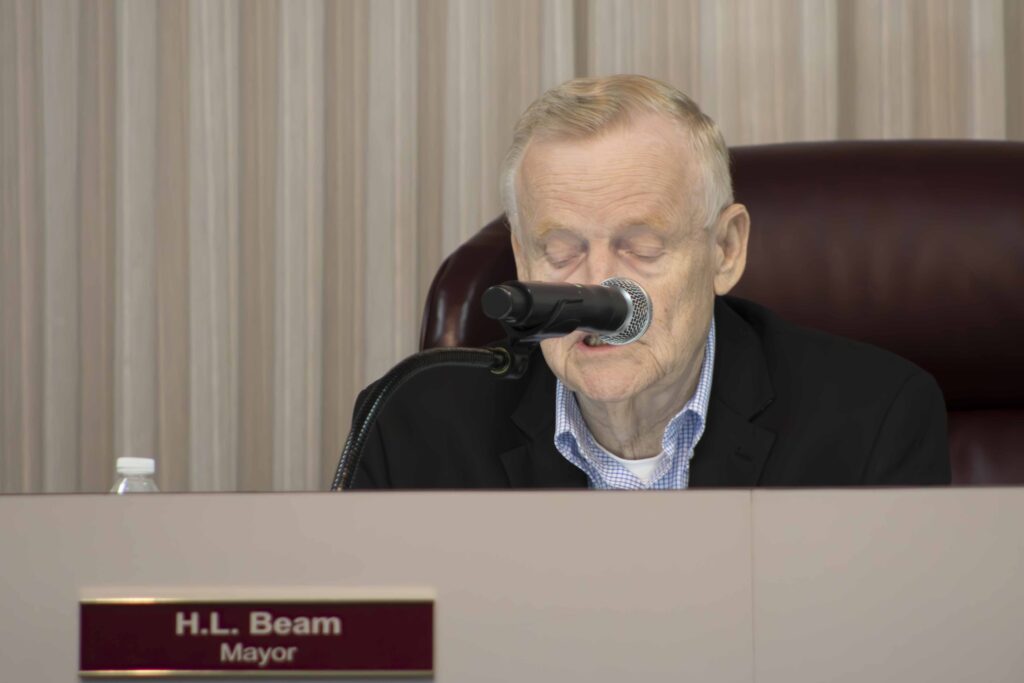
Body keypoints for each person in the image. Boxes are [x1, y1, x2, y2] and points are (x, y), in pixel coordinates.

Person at [349, 75, 951, 489]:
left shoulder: (873, 419)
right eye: (560, 251)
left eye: (640, 247)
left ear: (725, 250)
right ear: (520, 258)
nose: (598, 290)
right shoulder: (414, 424)